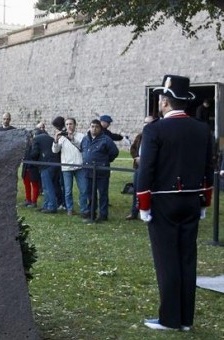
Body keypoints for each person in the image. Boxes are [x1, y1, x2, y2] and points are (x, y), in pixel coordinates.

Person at [137, 75, 213, 331]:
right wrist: (205, 200)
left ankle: (170, 319)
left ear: (166, 102)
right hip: (192, 198)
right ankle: (186, 319)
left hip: (163, 201)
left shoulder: (154, 129)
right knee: (187, 258)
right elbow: (208, 167)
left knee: (167, 259)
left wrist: (143, 204)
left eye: (161, 99)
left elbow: (146, 169)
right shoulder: (202, 128)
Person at [81, 119, 119, 221]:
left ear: (100, 128)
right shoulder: (85, 139)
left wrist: (105, 161)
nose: (94, 129)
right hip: (88, 171)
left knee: (102, 194)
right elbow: (83, 151)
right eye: (92, 126)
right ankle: (91, 211)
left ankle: (103, 214)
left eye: (96, 127)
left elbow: (114, 152)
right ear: (89, 127)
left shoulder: (106, 139)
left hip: (102, 172)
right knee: (90, 194)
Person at [52, 117, 87, 216]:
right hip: (66, 167)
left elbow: (83, 148)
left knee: (83, 189)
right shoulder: (62, 137)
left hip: (79, 166)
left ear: (75, 125)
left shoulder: (81, 136)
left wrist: (72, 139)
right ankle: (70, 209)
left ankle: (84, 209)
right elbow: (55, 151)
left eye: (71, 124)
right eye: (67, 124)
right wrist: (55, 140)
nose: (69, 126)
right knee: (67, 191)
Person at [126, 115, 156, 220]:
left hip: (151, 168)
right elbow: (133, 148)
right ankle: (134, 212)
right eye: (145, 122)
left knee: (150, 190)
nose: (146, 125)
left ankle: (151, 212)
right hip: (138, 167)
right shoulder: (140, 136)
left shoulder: (157, 137)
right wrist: (136, 157)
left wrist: (145, 160)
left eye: (149, 122)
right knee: (136, 190)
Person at [31, 127, 60, 213]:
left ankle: (51, 206)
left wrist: (30, 155)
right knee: (47, 186)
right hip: (55, 163)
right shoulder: (49, 138)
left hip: (46, 164)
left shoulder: (36, 139)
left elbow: (34, 153)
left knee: (47, 186)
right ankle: (46, 204)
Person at [21, 129, 41, 208]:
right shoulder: (26, 145)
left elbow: (34, 155)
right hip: (26, 167)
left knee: (34, 185)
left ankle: (33, 202)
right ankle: (28, 199)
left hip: (33, 167)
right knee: (26, 184)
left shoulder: (35, 144)